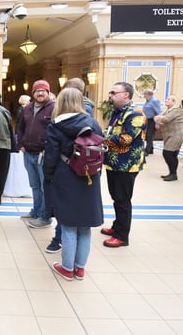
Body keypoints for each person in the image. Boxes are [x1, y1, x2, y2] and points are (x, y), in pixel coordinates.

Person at [44, 88, 104, 281]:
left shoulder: (56, 125)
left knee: (68, 225)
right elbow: (104, 148)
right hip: (89, 177)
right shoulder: (93, 123)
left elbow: (51, 157)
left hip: (66, 176)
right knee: (85, 226)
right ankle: (80, 269)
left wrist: (49, 176)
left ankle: (67, 268)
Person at [100, 82, 147, 248]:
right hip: (114, 163)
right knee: (116, 197)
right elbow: (112, 132)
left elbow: (125, 139)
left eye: (114, 92)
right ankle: (117, 226)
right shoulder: (118, 112)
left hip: (127, 164)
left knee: (123, 199)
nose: (110, 95)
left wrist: (100, 141)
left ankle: (122, 236)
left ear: (126, 94)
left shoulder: (135, 114)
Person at [16, 80, 55, 228]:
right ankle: (36, 210)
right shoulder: (28, 108)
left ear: (48, 92)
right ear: (33, 93)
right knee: (34, 185)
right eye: (37, 91)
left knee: (45, 186)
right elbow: (20, 127)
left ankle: (45, 217)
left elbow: (56, 131)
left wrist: (49, 149)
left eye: (43, 90)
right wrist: (20, 144)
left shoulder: (53, 108)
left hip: (43, 155)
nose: (40, 93)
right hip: (28, 153)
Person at [153, 95, 183, 181]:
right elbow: (162, 121)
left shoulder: (176, 110)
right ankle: (172, 173)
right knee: (172, 155)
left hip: (176, 135)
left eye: (169, 99)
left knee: (167, 153)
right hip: (170, 135)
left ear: (174, 102)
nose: (166, 100)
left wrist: (159, 118)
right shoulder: (167, 111)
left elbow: (166, 119)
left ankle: (173, 174)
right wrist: (159, 119)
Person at [142, 89, 161, 155]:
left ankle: (147, 150)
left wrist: (157, 123)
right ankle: (151, 149)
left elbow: (158, 112)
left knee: (150, 136)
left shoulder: (154, 101)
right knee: (147, 135)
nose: (143, 96)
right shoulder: (148, 101)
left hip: (153, 120)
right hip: (147, 120)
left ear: (148, 94)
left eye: (144, 94)